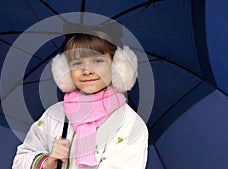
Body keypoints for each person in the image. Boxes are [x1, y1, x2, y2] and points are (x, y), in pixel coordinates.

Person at [12, 25, 148, 169]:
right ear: (65, 70)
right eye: (77, 63)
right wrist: (47, 163)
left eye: (97, 61)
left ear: (117, 66)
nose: (87, 71)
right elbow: (21, 159)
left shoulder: (129, 124)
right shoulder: (55, 114)